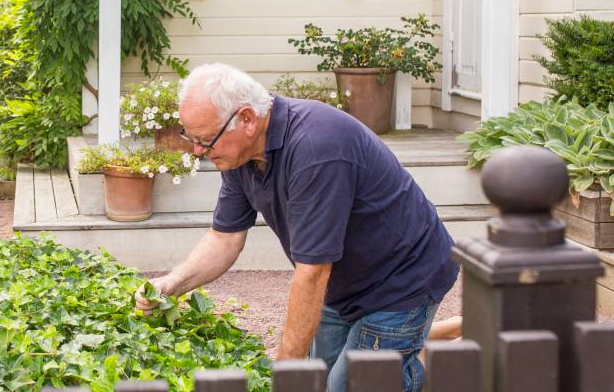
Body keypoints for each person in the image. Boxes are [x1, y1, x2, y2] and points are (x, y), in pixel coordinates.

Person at [134, 63, 458, 392]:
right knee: (322, 380)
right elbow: (225, 238)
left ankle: (436, 367)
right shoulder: (238, 153)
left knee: (355, 385)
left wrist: (287, 371)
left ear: (246, 119)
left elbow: (313, 272)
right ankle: (424, 345)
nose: (197, 151)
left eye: (205, 140)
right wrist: (173, 282)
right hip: (342, 283)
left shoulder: (316, 147)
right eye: (192, 138)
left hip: (401, 280)